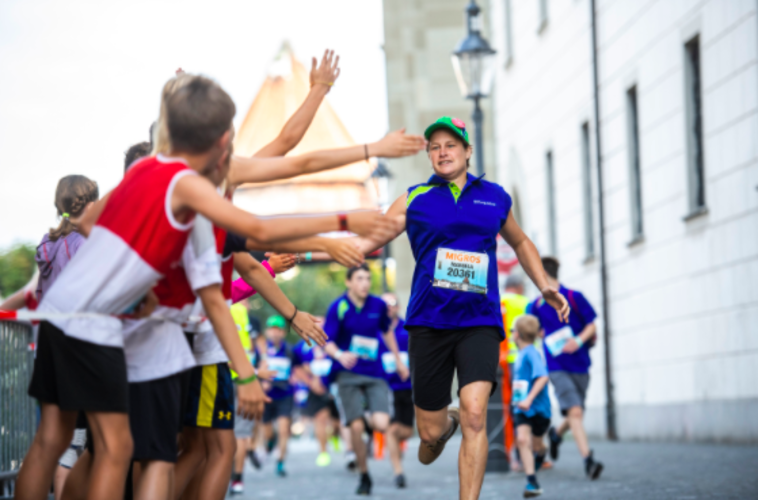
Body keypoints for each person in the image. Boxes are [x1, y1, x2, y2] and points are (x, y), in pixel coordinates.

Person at [16, 73, 393, 500]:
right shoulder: (188, 188)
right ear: (217, 143)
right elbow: (254, 231)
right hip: (99, 325)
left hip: (62, 311)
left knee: (56, 440)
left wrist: (141, 280)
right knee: (118, 448)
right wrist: (341, 222)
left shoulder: (145, 174)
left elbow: (91, 224)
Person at [338, 116, 570, 500]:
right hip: (428, 322)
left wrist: (544, 284)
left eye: (450, 145)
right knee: (428, 437)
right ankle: (443, 426)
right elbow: (372, 237)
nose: (442, 152)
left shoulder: (493, 196)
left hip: (479, 321)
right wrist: (316, 250)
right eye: (435, 147)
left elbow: (522, 241)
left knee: (475, 414)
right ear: (429, 155)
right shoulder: (415, 197)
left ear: (467, 151)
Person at [32, 175, 99, 500]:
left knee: (52, 441)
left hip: (50, 337)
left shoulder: (47, 244)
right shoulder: (90, 241)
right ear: (92, 203)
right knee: (97, 442)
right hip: (84, 341)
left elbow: (41, 294)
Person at [322, 264, 407, 495]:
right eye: (359, 278)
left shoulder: (378, 305)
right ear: (348, 282)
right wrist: (340, 354)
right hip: (347, 372)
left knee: (381, 424)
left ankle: (363, 419)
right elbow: (326, 340)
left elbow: (387, 332)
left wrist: (398, 360)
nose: (365, 283)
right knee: (356, 426)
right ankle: (364, 474)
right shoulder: (338, 307)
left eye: (368, 279)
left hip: (374, 371)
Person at [527, 256, 604, 480]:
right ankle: (588, 460)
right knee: (576, 411)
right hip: (556, 365)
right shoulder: (536, 305)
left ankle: (556, 435)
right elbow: (531, 330)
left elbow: (591, 324)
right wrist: (537, 333)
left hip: (580, 363)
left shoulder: (574, 297)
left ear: (545, 275)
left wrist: (578, 341)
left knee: (575, 412)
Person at [512, 315, 551, 498]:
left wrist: (528, 399)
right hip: (522, 409)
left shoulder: (531, 353)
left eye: (512, 331)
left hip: (539, 409)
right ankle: (532, 481)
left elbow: (543, 377)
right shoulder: (520, 354)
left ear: (517, 334)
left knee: (536, 444)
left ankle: (543, 451)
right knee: (522, 440)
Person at [292, 324, 342, 468]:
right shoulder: (301, 346)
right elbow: (297, 367)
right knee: (320, 419)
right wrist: (311, 382)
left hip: (335, 387)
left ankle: (335, 436)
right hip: (315, 390)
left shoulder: (334, 342)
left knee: (337, 422)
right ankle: (323, 452)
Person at [257, 315, 300, 478]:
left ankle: (280, 461)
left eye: (279, 330)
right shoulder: (260, 350)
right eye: (272, 329)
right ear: (267, 332)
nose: (275, 333)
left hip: (285, 394)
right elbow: (252, 368)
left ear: (283, 332)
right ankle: (270, 441)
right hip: (266, 395)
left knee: (284, 430)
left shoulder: (290, 350)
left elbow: (298, 368)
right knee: (268, 431)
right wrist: (260, 382)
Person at [380, 293, 413, 489]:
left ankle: (396, 456)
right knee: (391, 430)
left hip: (407, 387)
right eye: (385, 305)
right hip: (385, 389)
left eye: (392, 304)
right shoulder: (376, 331)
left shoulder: (407, 328)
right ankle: (398, 472)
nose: (389, 308)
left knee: (407, 432)